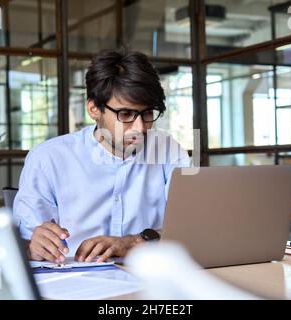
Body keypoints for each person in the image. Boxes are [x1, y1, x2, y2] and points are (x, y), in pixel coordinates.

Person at [13, 49, 190, 264]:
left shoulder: (168, 151)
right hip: (75, 284)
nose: (140, 128)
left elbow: (194, 228)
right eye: (125, 114)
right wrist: (32, 247)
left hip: (150, 277)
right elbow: (20, 246)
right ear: (94, 109)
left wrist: (134, 242)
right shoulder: (48, 159)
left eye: (147, 114)